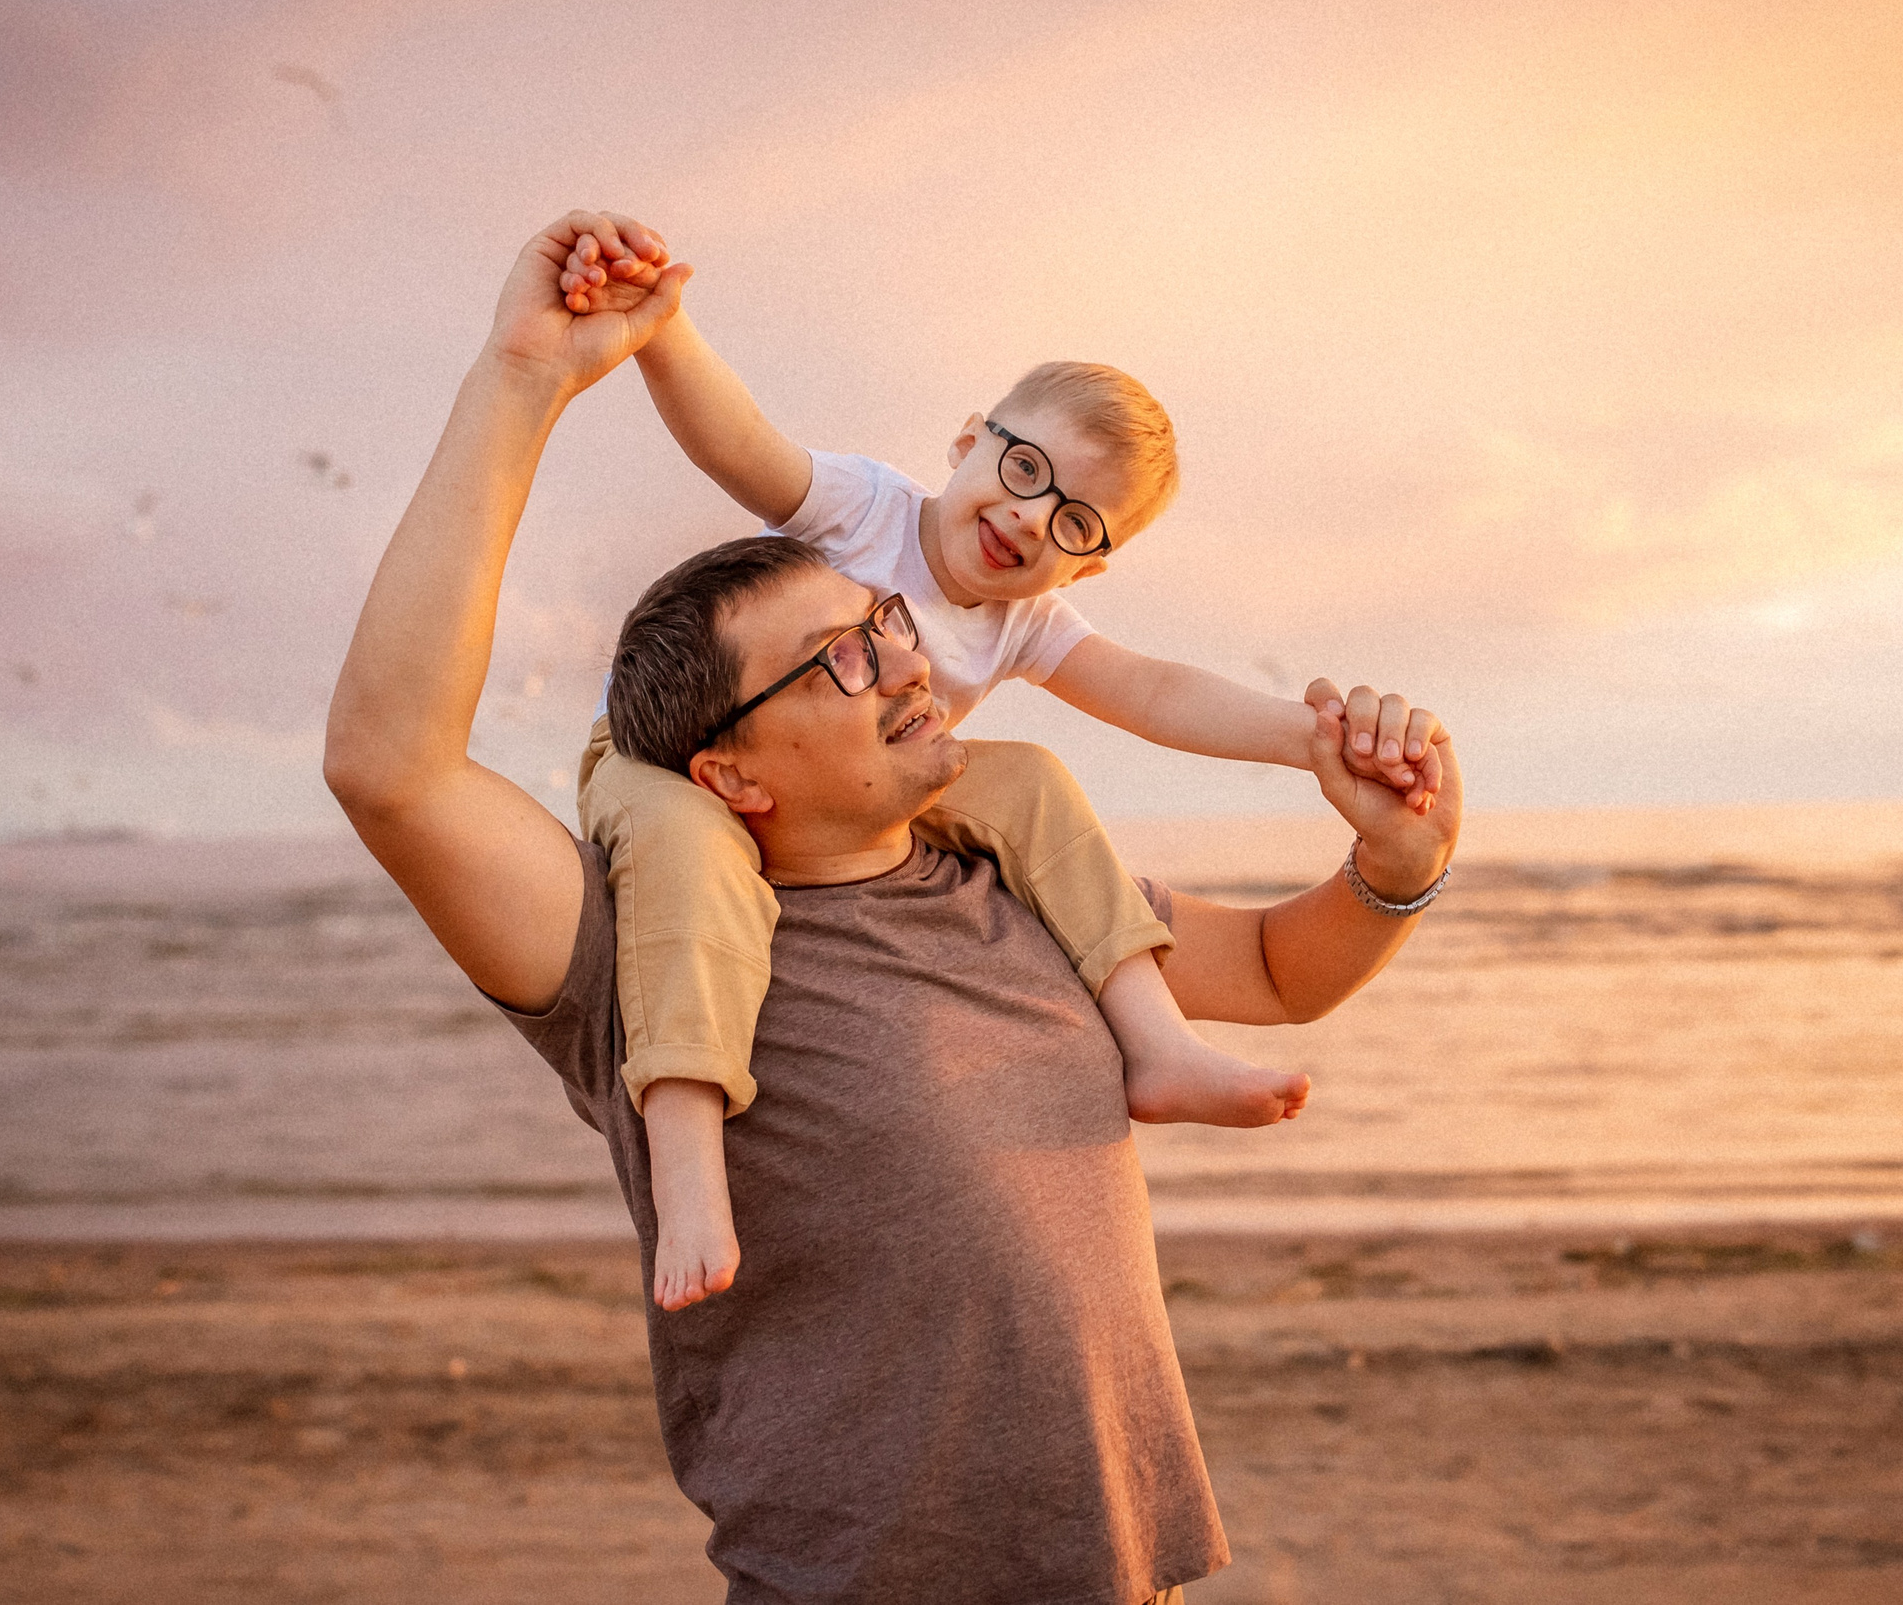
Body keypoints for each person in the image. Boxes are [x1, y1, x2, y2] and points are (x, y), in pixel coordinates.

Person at [324, 210, 1465, 1605]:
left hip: (1122, 1571)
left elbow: (1289, 970)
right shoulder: (646, 942)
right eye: (839, 658)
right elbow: (392, 763)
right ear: (727, 768)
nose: (904, 653)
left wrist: (1397, 857)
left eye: (884, 628)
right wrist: (525, 376)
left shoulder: (1014, 869)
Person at [550, 213, 1445, 1308]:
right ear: (967, 438)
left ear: (1094, 566)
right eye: (1023, 469)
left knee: (1029, 779)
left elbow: (1155, 692)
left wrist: (1321, 743)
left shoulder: (1026, 625)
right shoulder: (864, 508)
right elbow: (738, 440)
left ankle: (1155, 1046)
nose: (1028, 519)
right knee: (688, 865)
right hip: (664, 756)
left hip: (846, 798)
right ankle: (688, 1163)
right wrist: (663, 330)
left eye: (1075, 523)